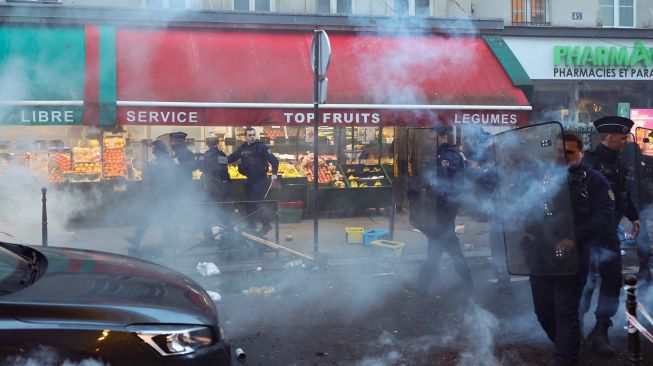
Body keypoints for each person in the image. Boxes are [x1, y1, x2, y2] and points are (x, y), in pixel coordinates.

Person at [529, 133, 614, 366]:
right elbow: (529, 209)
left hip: (572, 256)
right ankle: (568, 345)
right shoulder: (542, 177)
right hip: (542, 255)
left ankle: (565, 359)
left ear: (581, 153)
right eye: (559, 151)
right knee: (543, 310)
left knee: (565, 311)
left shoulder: (594, 180)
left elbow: (604, 216)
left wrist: (574, 239)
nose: (562, 156)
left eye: (569, 152)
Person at [580, 115, 640, 356]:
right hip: (590, 233)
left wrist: (633, 215)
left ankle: (601, 329)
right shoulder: (589, 163)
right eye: (623, 137)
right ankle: (574, 330)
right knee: (586, 282)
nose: (626, 141)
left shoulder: (620, 162)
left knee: (613, 279)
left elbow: (623, 193)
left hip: (609, 233)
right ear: (610, 137)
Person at [404, 126, 473, 296]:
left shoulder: (446, 156)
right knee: (447, 244)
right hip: (448, 206)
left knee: (437, 243)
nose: (430, 141)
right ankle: (466, 283)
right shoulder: (449, 155)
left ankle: (424, 285)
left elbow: (441, 182)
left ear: (443, 137)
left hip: (446, 206)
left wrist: (421, 185)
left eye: (433, 137)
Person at [127, 140, 179, 248]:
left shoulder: (161, 162)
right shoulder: (167, 161)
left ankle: (169, 241)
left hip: (161, 196)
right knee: (151, 217)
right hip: (161, 195)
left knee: (162, 219)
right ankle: (138, 239)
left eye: (154, 149)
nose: (153, 151)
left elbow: (158, 179)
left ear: (158, 150)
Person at [228, 127, 279, 237]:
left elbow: (274, 161)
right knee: (248, 203)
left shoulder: (261, 147)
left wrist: (274, 174)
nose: (252, 137)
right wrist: (219, 160)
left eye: (253, 135)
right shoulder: (243, 148)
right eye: (249, 135)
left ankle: (266, 225)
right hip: (250, 179)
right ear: (245, 137)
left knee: (257, 203)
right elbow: (231, 158)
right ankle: (251, 225)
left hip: (260, 180)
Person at [200, 137, 232, 242]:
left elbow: (204, 169)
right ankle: (228, 233)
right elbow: (224, 169)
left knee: (206, 212)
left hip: (211, 188)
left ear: (207, 145)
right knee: (223, 211)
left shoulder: (207, 155)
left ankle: (209, 237)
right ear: (217, 144)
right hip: (222, 187)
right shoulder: (222, 154)